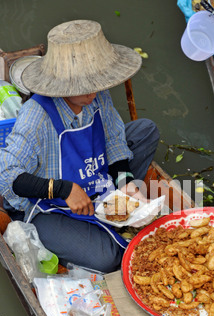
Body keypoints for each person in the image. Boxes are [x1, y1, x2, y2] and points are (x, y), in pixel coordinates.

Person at [0, 20, 160, 273]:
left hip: (94, 179)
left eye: (96, 85)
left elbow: (114, 141)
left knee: (145, 131)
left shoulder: (97, 96)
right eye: (85, 87)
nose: (94, 93)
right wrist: (64, 189)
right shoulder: (36, 116)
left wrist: (126, 183)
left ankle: (112, 203)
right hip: (50, 205)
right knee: (107, 259)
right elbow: (8, 177)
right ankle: (75, 234)